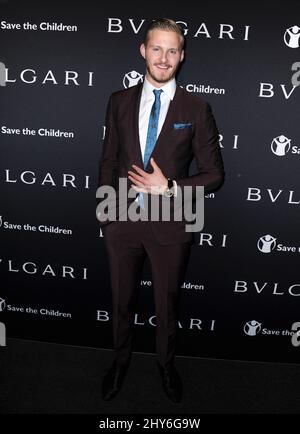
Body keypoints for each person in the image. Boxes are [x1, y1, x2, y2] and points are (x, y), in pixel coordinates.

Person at [98, 18, 224, 403]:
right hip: (122, 222)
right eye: (157, 48)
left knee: (167, 306)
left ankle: (165, 367)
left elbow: (214, 175)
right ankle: (120, 362)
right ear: (143, 50)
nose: (164, 58)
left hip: (171, 225)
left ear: (182, 56)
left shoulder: (197, 108)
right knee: (121, 302)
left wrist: (168, 186)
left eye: (172, 50)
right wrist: (106, 211)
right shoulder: (118, 101)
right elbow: (108, 160)